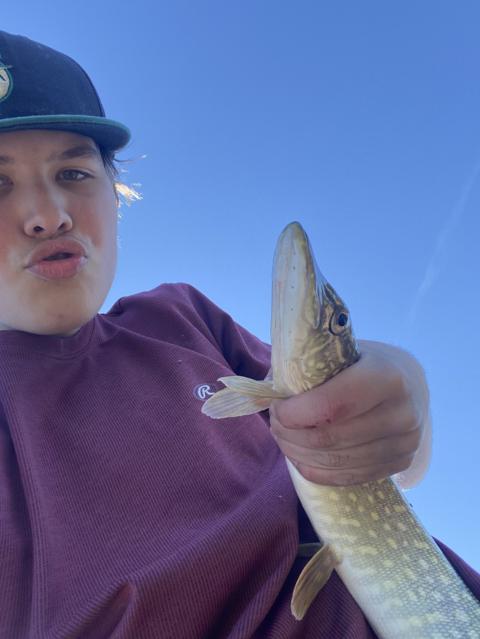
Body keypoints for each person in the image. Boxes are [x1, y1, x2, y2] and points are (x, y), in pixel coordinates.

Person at [0, 30, 478, 639]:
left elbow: (391, 456)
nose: (49, 215)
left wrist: (402, 381)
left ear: (116, 196)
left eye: (73, 172)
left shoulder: (181, 320)